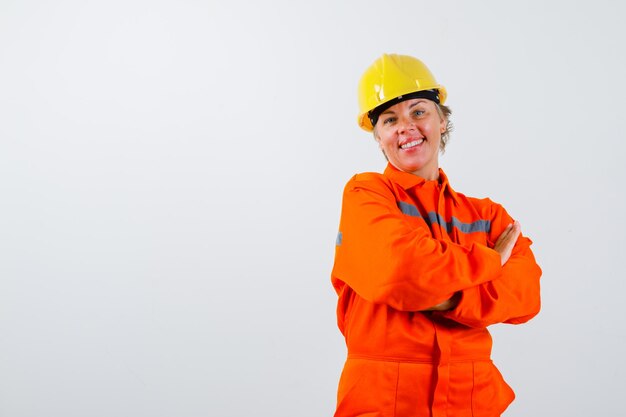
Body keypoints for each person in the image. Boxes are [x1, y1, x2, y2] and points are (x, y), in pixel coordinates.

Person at [331, 54, 542, 417]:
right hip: (386, 400)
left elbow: (526, 296)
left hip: (471, 399)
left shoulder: (487, 215)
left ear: (442, 120)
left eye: (418, 112)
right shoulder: (365, 195)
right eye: (389, 119)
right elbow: (400, 272)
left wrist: (442, 295)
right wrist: (489, 262)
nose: (405, 127)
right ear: (378, 136)